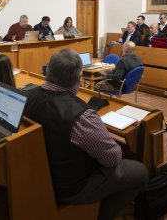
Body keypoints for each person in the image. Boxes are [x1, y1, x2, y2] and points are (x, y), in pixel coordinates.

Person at [24, 48, 148, 220]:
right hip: (70, 187)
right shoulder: (82, 116)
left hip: (39, 175)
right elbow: (113, 159)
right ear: (79, 77)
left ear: (48, 70)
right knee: (140, 171)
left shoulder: (27, 95)